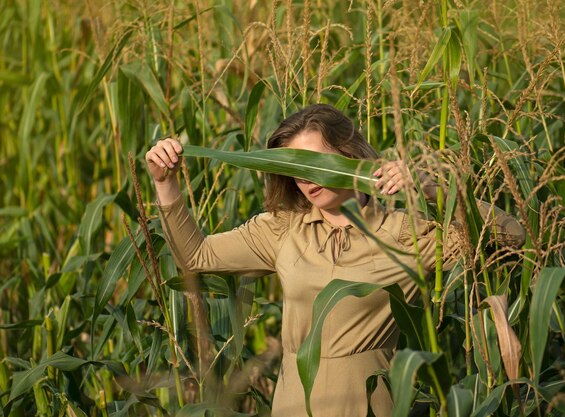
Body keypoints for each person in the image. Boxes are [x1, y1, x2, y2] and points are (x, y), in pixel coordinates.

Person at [145, 104, 525, 417]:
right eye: (296, 168)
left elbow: (514, 236)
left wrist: (429, 188)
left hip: (374, 404)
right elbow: (196, 257)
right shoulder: (282, 230)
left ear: (350, 153)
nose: (307, 178)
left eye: (315, 162)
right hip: (295, 405)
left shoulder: (406, 232)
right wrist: (166, 183)